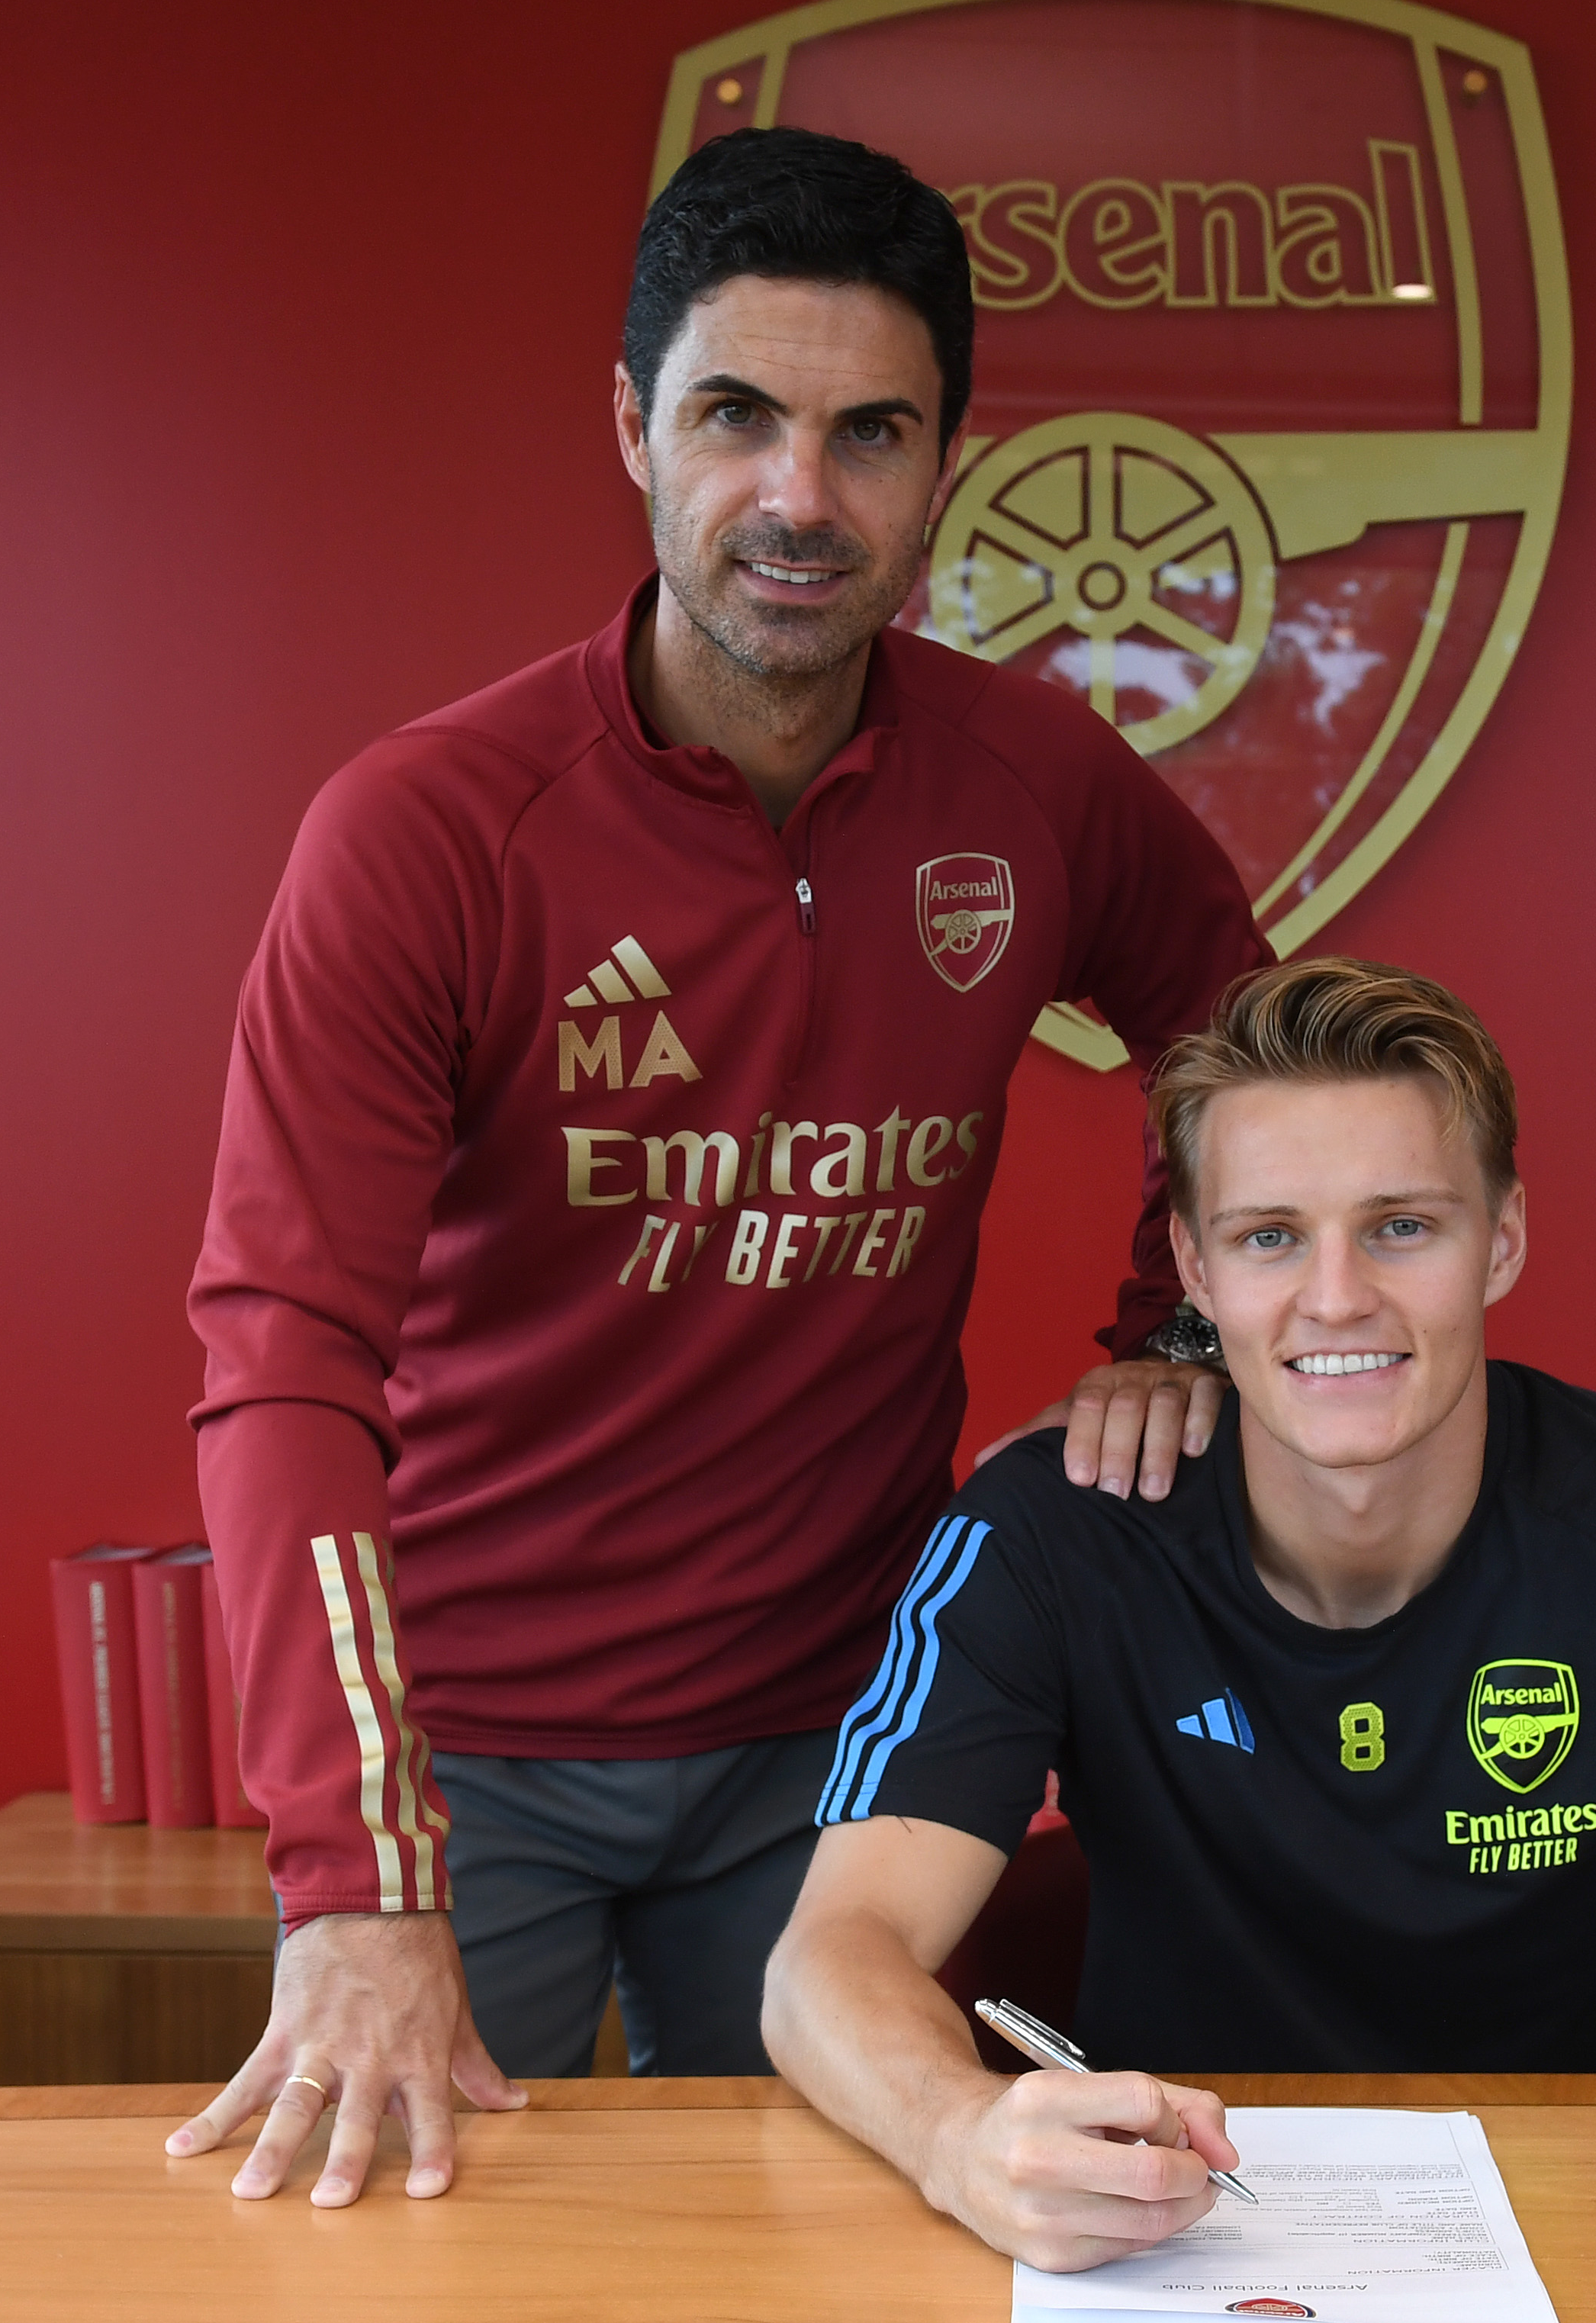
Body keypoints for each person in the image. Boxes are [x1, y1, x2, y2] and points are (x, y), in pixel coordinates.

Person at [168, 125, 1265, 2209]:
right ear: (631, 423)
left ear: (947, 459)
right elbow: (282, 1359)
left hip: (834, 1745)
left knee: (832, 2311)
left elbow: (1259, 1053)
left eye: (870, 434)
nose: (799, 497)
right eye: (736, 416)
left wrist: (1178, 1328)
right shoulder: (430, 832)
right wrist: (353, 1873)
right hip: (462, 1756)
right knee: (390, 2311)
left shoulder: (1034, 784)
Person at [763, 957, 1596, 2270]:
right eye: (1269, 1237)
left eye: (1402, 1226)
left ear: (1505, 1240)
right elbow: (829, 1962)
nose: (1336, 1297)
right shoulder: (1041, 1540)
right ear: (1194, 1272)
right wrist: (956, 2133)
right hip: (1162, 2243)